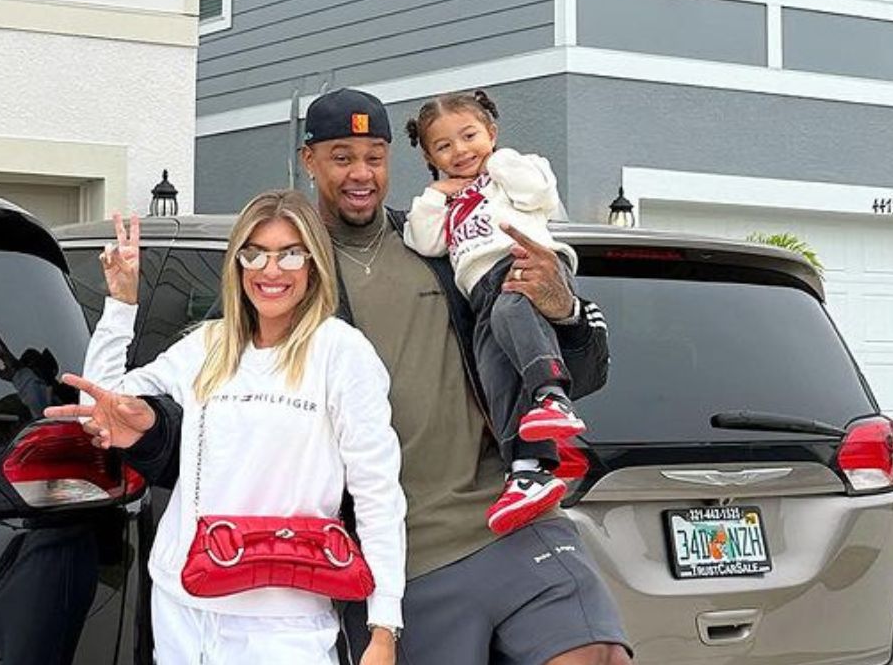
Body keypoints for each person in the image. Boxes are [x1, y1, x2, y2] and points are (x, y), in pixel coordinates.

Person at [53, 89, 629, 665]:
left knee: (599, 654)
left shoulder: (441, 243)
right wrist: (144, 423)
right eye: (341, 157)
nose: (361, 174)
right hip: (398, 555)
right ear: (310, 161)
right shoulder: (286, 281)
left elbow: (577, 371)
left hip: (509, 517)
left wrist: (564, 311)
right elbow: (209, 425)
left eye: (374, 157)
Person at [53, 192, 406, 665]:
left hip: (284, 620)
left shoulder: (341, 352)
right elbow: (97, 400)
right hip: (184, 604)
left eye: (290, 254)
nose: (271, 270)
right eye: (254, 253)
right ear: (238, 264)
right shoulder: (209, 345)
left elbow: (378, 491)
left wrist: (384, 626)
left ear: (314, 265)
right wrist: (121, 303)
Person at [401, 89, 584, 534]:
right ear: (430, 156)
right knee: (493, 374)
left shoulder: (515, 171)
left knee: (510, 314)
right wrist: (435, 194)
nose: (460, 150)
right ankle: (527, 471)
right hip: (480, 289)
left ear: (492, 132)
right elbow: (423, 241)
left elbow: (539, 190)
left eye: (470, 136)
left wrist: (498, 161)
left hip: (526, 265)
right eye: (444, 146)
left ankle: (551, 395)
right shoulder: (447, 199)